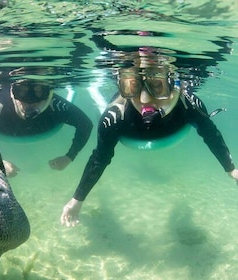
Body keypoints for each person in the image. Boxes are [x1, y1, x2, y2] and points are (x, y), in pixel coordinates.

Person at [60, 60, 238, 227]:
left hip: (164, 127)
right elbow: (100, 157)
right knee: (104, 114)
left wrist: (230, 169)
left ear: (171, 84)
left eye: (156, 85)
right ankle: (100, 92)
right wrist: (77, 199)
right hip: (130, 130)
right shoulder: (115, 116)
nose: (144, 99)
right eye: (132, 86)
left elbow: (210, 133)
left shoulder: (187, 102)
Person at [0, 79, 93, 177]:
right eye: (22, 92)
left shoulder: (57, 105)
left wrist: (69, 157)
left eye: (39, 91)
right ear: (12, 93)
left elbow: (85, 124)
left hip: (10, 131)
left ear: (49, 93)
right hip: (10, 131)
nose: (29, 102)